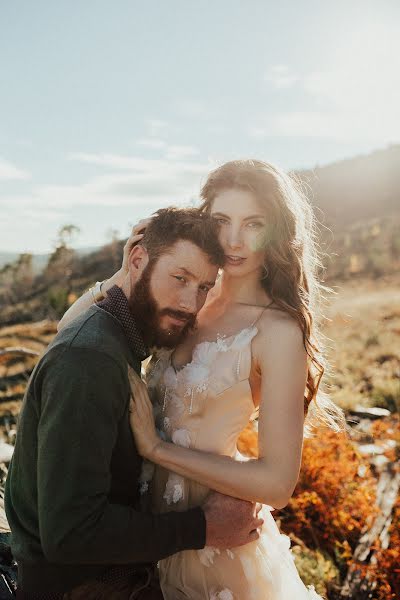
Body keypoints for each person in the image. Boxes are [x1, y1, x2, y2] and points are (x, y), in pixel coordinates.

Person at [59, 159, 346, 599]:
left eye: (253, 223)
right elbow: (69, 332)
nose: (233, 240)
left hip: (213, 543)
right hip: (141, 532)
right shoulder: (190, 292)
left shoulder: (276, 332)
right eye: (221, 220)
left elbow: (277, 484)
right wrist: (125, 273)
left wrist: (158, 450)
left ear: (278, 231)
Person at [4, 208, 265, 600]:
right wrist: (203, 527)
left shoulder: (114, 335)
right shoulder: (89, 361)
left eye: (203, 288)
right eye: (179, 278)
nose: (189, 303)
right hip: (80, 589)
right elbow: (71, 534)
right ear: (138, 260)